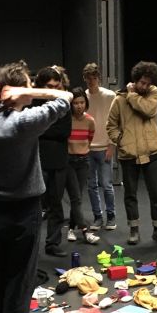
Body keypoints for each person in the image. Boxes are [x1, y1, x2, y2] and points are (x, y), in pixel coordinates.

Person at [0, 61, 73, 313]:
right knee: (20, 279)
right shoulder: (25, 122)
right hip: (24, 209)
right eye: (28, 86)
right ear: (18, 91)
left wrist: (3, 92)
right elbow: (66, 98)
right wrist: (32, 92)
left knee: (0, 277)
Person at [106, 61, 157, 245]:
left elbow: (148, 110)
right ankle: (134, 230)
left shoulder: (153, 93)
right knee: (130, 194)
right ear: (135, 80)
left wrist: (132, 94)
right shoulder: (119, 100)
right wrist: (121, 140)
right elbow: (110, 126)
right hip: (129, 154)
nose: (144, 86)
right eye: (142, 82)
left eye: (147, 83)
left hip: (152, 152)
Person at [36, 66, 72, 257]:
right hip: (38, 162)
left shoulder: (63, 104)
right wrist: (43, 130)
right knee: (34, 206)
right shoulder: (32, 104)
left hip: (58, 162)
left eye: (56, 86)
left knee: (56, 205)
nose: (54, 90)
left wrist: (42, 129)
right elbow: (32, 130)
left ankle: (52, 243)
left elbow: (64, 132)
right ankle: (31, 245)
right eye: (50, 86)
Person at [83, 63, 117, 231]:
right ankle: (98, 217)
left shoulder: (109, 95)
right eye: (89, 78)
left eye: (94, 78)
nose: (92, 81)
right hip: (88, 148)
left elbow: (116, 121)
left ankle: (111, 216)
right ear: (85, 79)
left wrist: (112, 144)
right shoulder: (83, 96)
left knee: (107, 184)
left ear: (99, 79)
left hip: (104, 146)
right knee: (91, 185)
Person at [65, 88, 100, 244]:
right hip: (69, 161)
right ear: (71, 104)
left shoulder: (90, 121)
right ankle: (85, 230)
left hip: (83, 161)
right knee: (76, 197)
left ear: (86, 103)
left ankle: (71, 228)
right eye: (75, 103)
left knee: (77, 197)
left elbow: (89, 139)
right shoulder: (66, 120)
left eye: (82, 102)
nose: (79, 106)